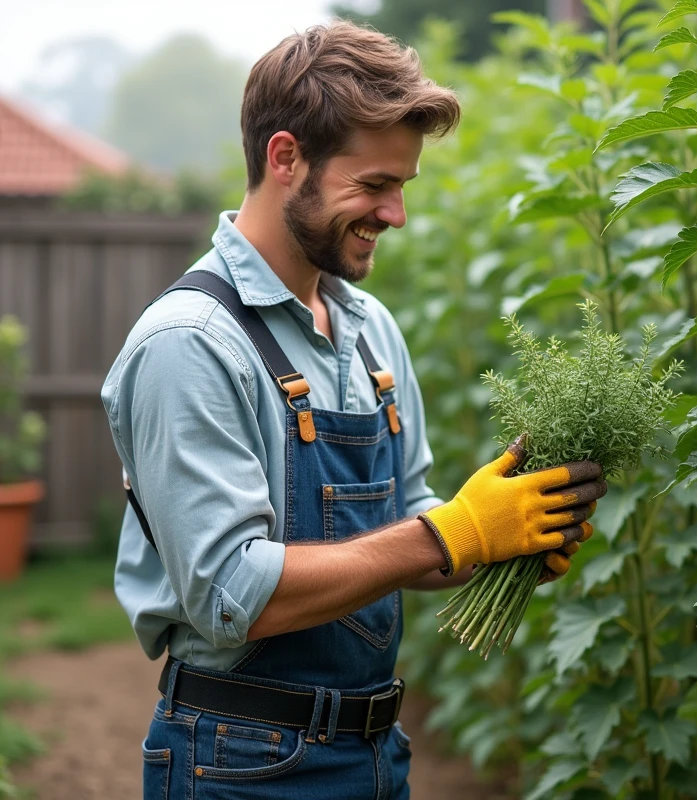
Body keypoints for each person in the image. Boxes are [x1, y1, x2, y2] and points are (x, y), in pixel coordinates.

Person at [101, 21, 607, 800]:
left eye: (402, 186)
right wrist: (452, 533)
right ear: (285, 158)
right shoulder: (189, 345)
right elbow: (233, 592)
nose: (394, 214)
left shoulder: (370, 330)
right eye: (374, 185)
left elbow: (405, 525)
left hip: (374, 755)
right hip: (237, 762)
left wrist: (500, 541)